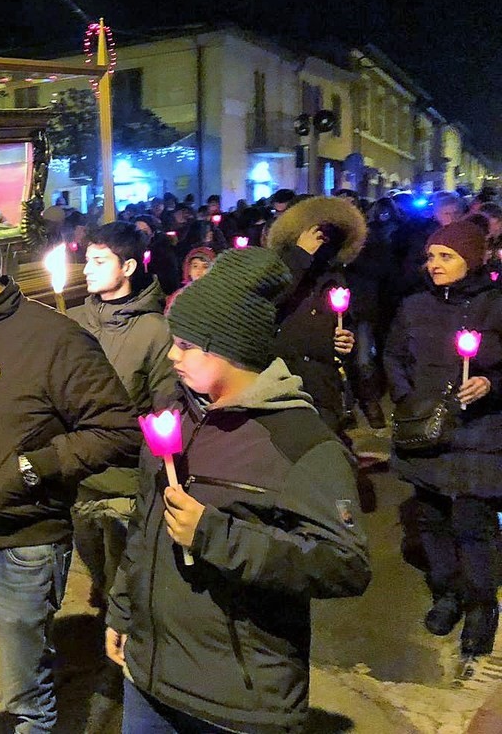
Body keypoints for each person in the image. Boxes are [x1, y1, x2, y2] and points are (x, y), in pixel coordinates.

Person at [106, 248, 372, 733]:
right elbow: (145, 526)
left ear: (228, 348)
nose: (171, 355)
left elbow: (345, 565)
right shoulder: (177, 418)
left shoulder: (301, 443)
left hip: (240, 702)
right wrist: (123, 612)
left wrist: (214, 535)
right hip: (149, 678)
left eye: (185, 345)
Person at [0, 212, 139, 734]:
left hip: (22, 547)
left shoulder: (54, 340)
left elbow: (117, 429)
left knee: (24, 700)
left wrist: (33, 469)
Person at [384, 219, 502, 658]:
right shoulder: (415, 306)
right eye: (431, 256)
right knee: (430, 519)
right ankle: (446, 593)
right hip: (426, 432)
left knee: (473, 524)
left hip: (479, 433)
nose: (434, 264)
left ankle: (480, 607)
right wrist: (408, 398)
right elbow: (394, 356)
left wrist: (491, 385)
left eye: (445, 256)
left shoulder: (496, 307)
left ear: (470, 259)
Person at [68, 222, 177, 612]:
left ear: (128, 267)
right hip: (79, 473)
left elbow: (167, 405)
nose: (86, 269)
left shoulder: (154, 331)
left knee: (123, 586)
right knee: (95, 568)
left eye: (99, 261)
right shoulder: (76, 321)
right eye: (86, 261)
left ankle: (124, 662)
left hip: (125, 481)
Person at [266, 196, 364, 437]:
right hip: (284, 374)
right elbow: (272, 298)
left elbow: (343, 320)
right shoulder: (277, 264)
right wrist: (301, 255)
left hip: (323, 381)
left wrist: (347, 340)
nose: (321, 240)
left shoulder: (335, 274)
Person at [164, 245, 214, 313]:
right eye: (195, 266)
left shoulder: (215, 295)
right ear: (189, 270)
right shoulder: (178, 296)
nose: (199, 270)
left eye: (205, 266)